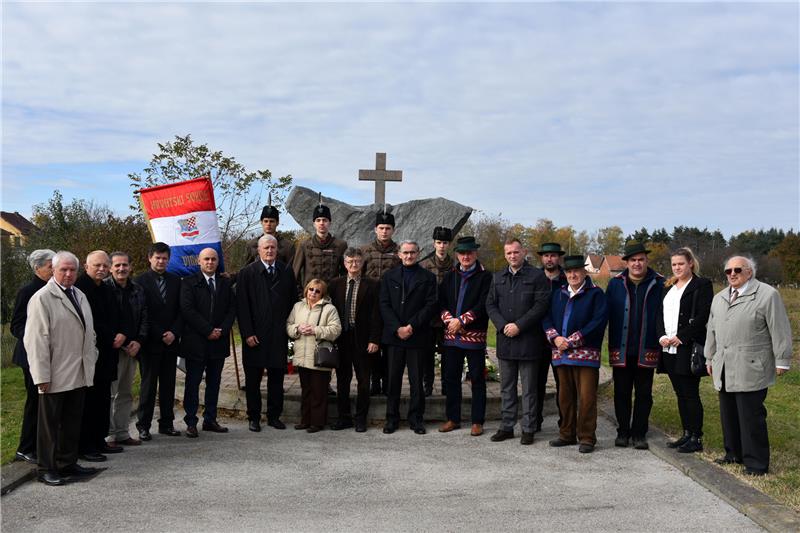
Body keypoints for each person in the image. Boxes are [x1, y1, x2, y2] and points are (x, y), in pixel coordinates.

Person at [705, 256, 793, 476]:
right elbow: (711, 330)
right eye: (728, 271)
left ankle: (756, 463)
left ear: (749, 272)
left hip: (751, 365)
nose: (732, 274)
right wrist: (709, 357)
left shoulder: (767, 295)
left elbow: (779, 329)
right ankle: (733, 453)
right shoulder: (719, 298)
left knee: (750, 416)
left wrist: (782, 359)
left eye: (737, 270)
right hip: (724, 365)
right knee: (729, 413)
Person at [24, 251, 98, 486]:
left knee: (72, 420)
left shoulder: (79, 294)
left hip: (78, 369)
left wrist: (92, 356)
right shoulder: (42, 298)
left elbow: (88, 331)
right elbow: (36, 340)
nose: (68, 274)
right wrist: (41, 376)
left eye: (72, 270)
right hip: (54, 373)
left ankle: (67, 462)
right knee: (49, 424)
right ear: (53, 271)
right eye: (63, 270)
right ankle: (46, 467)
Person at [486, 238, 550, 445]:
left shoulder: (537, 276)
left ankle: (529, 428)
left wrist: (519, 325)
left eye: (516, 252)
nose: (512, 256)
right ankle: (507, 426)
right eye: (508, 253)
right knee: (507, 387)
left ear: (523, 252)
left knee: (529, 388)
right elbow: (490, 304)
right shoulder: (497, 277)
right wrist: (503, 325)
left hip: (529, 340)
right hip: (505, 340)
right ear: (505, 255)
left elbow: (541, 306)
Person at [543, 255, 608, 453]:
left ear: (584, 272)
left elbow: (598, 322)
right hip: (561, 353)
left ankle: (587, 437)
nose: (573, 275)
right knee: (565, 396)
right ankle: (566, 434)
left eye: (577, 271)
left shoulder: (596, 294)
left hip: (585, 355)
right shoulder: (558, 294)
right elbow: (546, 317)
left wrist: (571, 340)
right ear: (565, 273)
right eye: (569, 271)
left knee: (587, 397)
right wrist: (555, 338)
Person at [606, 242, 664, 450]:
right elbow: (604, 314)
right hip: (621, 349)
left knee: (644, 394)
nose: (637, 263)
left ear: (647, 260)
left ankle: (639, 433)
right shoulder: (615, 284)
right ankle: (623, 431)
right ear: (627, 262)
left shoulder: (660, 284)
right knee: (621, 392)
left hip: (646, 348)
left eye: (641, 259)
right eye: (633, 260)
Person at [655, 248, 713, 454]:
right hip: (668, 348)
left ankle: (696, 437)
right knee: (680, 393)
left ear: (690, 263)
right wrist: (662, 336)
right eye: (674, 264)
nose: (677, 267)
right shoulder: (668, 287)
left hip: (687, 347)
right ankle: (687, 433)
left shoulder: (701, 285)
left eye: (681, 263)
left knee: (690, 393)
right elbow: (659, 314)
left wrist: (682, 337)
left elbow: (703, 316)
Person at [237, 234, 297, 432]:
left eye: (273, 247)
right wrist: (247, 333)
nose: (270, 251)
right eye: (266, 248)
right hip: (254, 335)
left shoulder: (286, 272)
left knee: (276, 379)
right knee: (253, 380)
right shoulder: (247, 273)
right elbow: (242, 306)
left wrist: (290, 331)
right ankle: (253, 417)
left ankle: (274, 416)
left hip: (279, 335)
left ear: (277, 249)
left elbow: (292, 303)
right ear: (259, 251)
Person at [379, 240, 438, 435]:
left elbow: (431, 305)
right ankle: (391, 419)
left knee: (416, 381)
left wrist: (412, 326)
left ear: (418, 253)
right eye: (405, 252)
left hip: (417, 335)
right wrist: (397, 328)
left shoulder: (428, 277)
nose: (409, 256)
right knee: (393, 380)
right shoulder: (389, 277)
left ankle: (416, 419)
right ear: (399, 254)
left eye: (412, 252)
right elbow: (384, 304)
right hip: (395, 336)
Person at [437, 236, 492, 437]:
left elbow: (484, 304)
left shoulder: (485, 277)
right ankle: (453, 418)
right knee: (451, 378)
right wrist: (450, 320)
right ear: (457, 255)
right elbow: (440, 301)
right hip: (452, 336)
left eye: (469, 252)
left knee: (477, 379)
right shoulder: (450, 276)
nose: (466, 256)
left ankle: (477, 421)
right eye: (462, 253)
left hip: (474, 337)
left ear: (475, 253)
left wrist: (462, 321)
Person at [180, 248, 237, 437]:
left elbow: (231, 309)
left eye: (213, 259)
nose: (210, 262)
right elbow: (187, 310)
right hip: (196, 342)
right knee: (193, 383)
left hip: (218, 342)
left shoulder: (225, 283)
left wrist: (222, 330)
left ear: (217, 261)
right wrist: (208, 330)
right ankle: (191, 421)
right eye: (206, 259)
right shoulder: (189, 283)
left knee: (214, 383)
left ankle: (210, 419)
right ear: (199, 261)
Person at [75, 251, 123, 461]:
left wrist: (122, 333)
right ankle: (86, 445)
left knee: (103, 398)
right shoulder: (79, 289)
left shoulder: (106, 288)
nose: (102, 269)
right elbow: (89, 321)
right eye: (97, 265)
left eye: (105, 265)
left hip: (108, 352)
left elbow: (116, 314)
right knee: (89, 401)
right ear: (86, 266)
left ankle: (99, 439)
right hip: (91, 352)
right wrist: (112, 335)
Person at [329, 248, 382, 432]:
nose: (354, 265)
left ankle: (361, 418)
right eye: (350, 261)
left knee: (363, 381)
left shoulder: (373, 285)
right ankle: (344, 417)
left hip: (363, 339)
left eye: (357, 262)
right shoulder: (335, 284)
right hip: (342, 338)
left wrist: (374, 339)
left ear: (362, 263)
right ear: (344, 264)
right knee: (342, 380)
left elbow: (377, 314)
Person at [10, 249, 55, 464]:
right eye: (50, 266)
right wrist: (34, 338)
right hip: (31, 356)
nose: (54, 270)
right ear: (38, 268)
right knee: (35, 402)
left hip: (51, 354)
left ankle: (44, 444)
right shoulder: (27, 291)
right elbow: (16, 325)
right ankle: (25, 447)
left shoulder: (54, 289)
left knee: (47, 403)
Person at [134, 242, 183, 440]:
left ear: (168, 260)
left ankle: (166, 423)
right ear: (150, 258)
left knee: (168, 385)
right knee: (148, 386)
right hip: (150, 343)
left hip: (171, 342)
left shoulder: (175, 281)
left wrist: (174, 332)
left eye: (164, 258)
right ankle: (143, 425)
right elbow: (141, 312)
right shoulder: (140, 282)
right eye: (158, 258)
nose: (161, 261)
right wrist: (160, 333)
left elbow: (181, 310)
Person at [286, 279, 342, 433]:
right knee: (306, 390)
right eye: (311, 289)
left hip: (319, 357)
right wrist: (298, 328)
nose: (313, 293)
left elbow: (336, 330)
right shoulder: (298, 306)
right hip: (302, 356)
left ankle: (317, 422)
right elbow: (289, 325)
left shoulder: (329, 309)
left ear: (322, 293)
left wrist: (315, 330)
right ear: (306, 290)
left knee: (319, 392)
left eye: (317, 291)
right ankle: (305, 420)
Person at [105, 251, 148, 447]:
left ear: (131, 267)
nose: (121, 269)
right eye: (117, 265)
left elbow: (144, 317)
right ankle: (109, 435)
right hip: (111, 350)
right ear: (110, 268)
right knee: (110, 394)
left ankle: (122, 433)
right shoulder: (104, 288)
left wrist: (138, 341)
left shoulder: (137, 289)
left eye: (125, 265)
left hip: (132, 349)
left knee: (125, 393)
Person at [361, 210, 401, 396]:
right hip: (369, 305)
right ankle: (373, 381)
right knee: (371, 346)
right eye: (381, 228)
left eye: (388, 228)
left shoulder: (399, 251)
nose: (384, 231)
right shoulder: (365, 250)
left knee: (388, 346)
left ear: (393, 230)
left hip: (391, 305)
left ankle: (387, 382)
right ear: (375, 229)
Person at [536, 242, 567, 431]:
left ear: (558, 258)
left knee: (562, 384)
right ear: (542, 258)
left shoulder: (567, 278)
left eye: (553, 255)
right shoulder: (534, 278)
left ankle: (565, 422)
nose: (550, 259)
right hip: (537, 339)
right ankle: (535, 420)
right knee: (536, 383)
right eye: (546, 256)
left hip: (561, 341)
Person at [420, 226, 454, 396]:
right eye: (439, 242)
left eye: (445, 242)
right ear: (434, 244)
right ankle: (427, 385)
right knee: (426, 353)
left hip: (448, 318)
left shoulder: (455, 265)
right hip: (429, 318)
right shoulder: (424, 265)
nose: (442, 246)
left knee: (447, 353)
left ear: (449, 244)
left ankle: (446, 385)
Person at [293, 201, 348, 288]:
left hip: (332, 294)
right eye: (318, 220)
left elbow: (345, 273)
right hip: (310, 295)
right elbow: (295, 273)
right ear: (314, 224)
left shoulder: (341, 245)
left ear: (330, 222)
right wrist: (301, 293)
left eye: (324, 220)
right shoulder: (304, 245)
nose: (321, 223)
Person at [244, 203, 295, 267]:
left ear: (277, 222)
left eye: (272, 221)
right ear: (261, 222)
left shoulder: (288, 246)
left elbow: (292, 270)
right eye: (266, 221)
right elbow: (246, 269)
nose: (268, 224)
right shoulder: (252, 244)